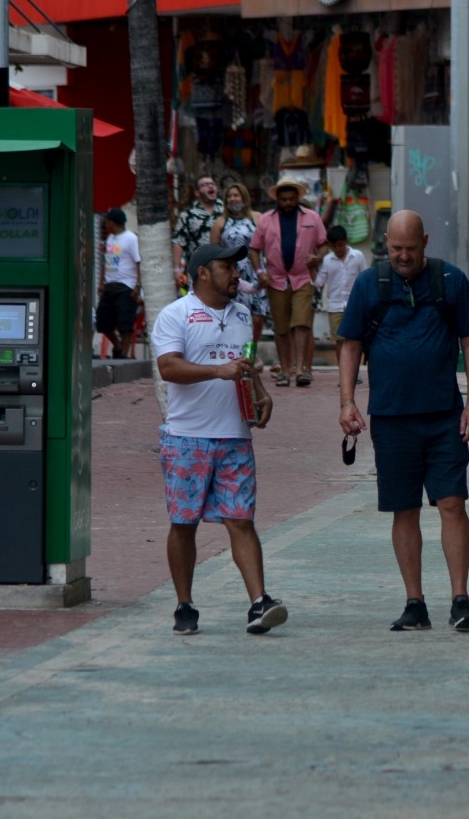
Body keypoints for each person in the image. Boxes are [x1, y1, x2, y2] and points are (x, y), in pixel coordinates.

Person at [337, 210, 469, 633]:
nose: (403, 256)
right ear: (386, 242)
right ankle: (414, 602)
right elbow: (349, 345)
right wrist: (347, 401)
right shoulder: (370, 284)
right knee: (404, 510)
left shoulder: (450, 280)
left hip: (444, 416)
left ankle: (461, 599)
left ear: (425, 240)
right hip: (391, 417)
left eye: (411, 248)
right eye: (395, 248)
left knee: (452, 503)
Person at [149, 242, 287, 636]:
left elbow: (242, 363)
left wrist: (260, 391)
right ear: (203, 272)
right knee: (183, 523)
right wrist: (217, 371)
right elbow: (168, 368)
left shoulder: (242, 313)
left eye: (236, 266)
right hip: (187, 439)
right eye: (227, 266)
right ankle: (184, 605)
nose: (236, 273)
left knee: (242, 520)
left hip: (235, 438)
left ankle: (260, 603)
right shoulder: (176, 315)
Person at [249, 178, 329, 388]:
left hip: (303, 277)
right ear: (277, 199)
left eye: (291, 199)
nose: (287, 203)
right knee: (281, 327)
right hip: (275, 280)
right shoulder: (266, 220)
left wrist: (317, 258)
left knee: (302, 323)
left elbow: (323, 244)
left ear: (297, 198)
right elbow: (254, 248)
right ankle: (285, 370)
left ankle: (301, 369)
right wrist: (260, 272)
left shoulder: (312, 217)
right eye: (283, 199)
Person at [209, 183, 266, 356]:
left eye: (237, 195)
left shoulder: (257, 218)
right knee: (238, 317)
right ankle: (237, 354)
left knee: (257, 317)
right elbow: (213, 250)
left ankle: (250, 353)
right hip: (234, 273)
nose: (233, 199)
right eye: (230, 196)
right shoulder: (220, 222)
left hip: (256, 270)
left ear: (244, 197)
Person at [313, 224, 367, 370]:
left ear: (346, 241)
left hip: (354, 305)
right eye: (334, 246)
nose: (338, 249)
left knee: (355, 339)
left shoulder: (358, 256)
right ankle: (343, 372)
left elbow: (364, 278)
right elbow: (318, 283)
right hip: (335, 306)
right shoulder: (327, 261)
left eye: (341, 245)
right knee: (339, 341)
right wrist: (311, 267)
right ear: (330, 245)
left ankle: (355, 371)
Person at [95, 207, 142, 359]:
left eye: (106, 222)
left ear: (111, 222)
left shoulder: (131, 239)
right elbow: (105, 261)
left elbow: (139, 263)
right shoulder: (110, 239)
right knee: (103, 321)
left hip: (126, 286)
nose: (105, 225)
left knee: (125, 324)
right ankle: (117, 345)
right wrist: (102, 281)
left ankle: (123, 354)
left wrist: (138, 286)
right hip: (110, 285)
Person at [171, 174, 223, 291]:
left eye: (212, 184)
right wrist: (177, 269)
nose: (210, 186)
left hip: (224, 268)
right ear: (197, 193)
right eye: (205, 185)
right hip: (198, 270)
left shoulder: (225, 211)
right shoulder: (188, 215)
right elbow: (178, 242)